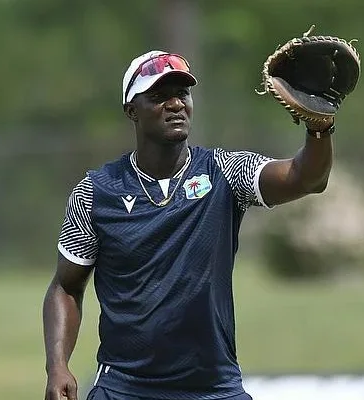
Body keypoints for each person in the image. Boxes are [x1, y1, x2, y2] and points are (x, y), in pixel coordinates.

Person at [42, 50, 337, 400]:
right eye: (158, 96)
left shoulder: (225, 172)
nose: (175, 104)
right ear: (131, 110)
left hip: (213, 388)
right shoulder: (95, 193)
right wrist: (57, 365)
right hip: (124, 388)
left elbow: (306, 178)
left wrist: (320, 128)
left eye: (182, 93)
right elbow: (66, 286)